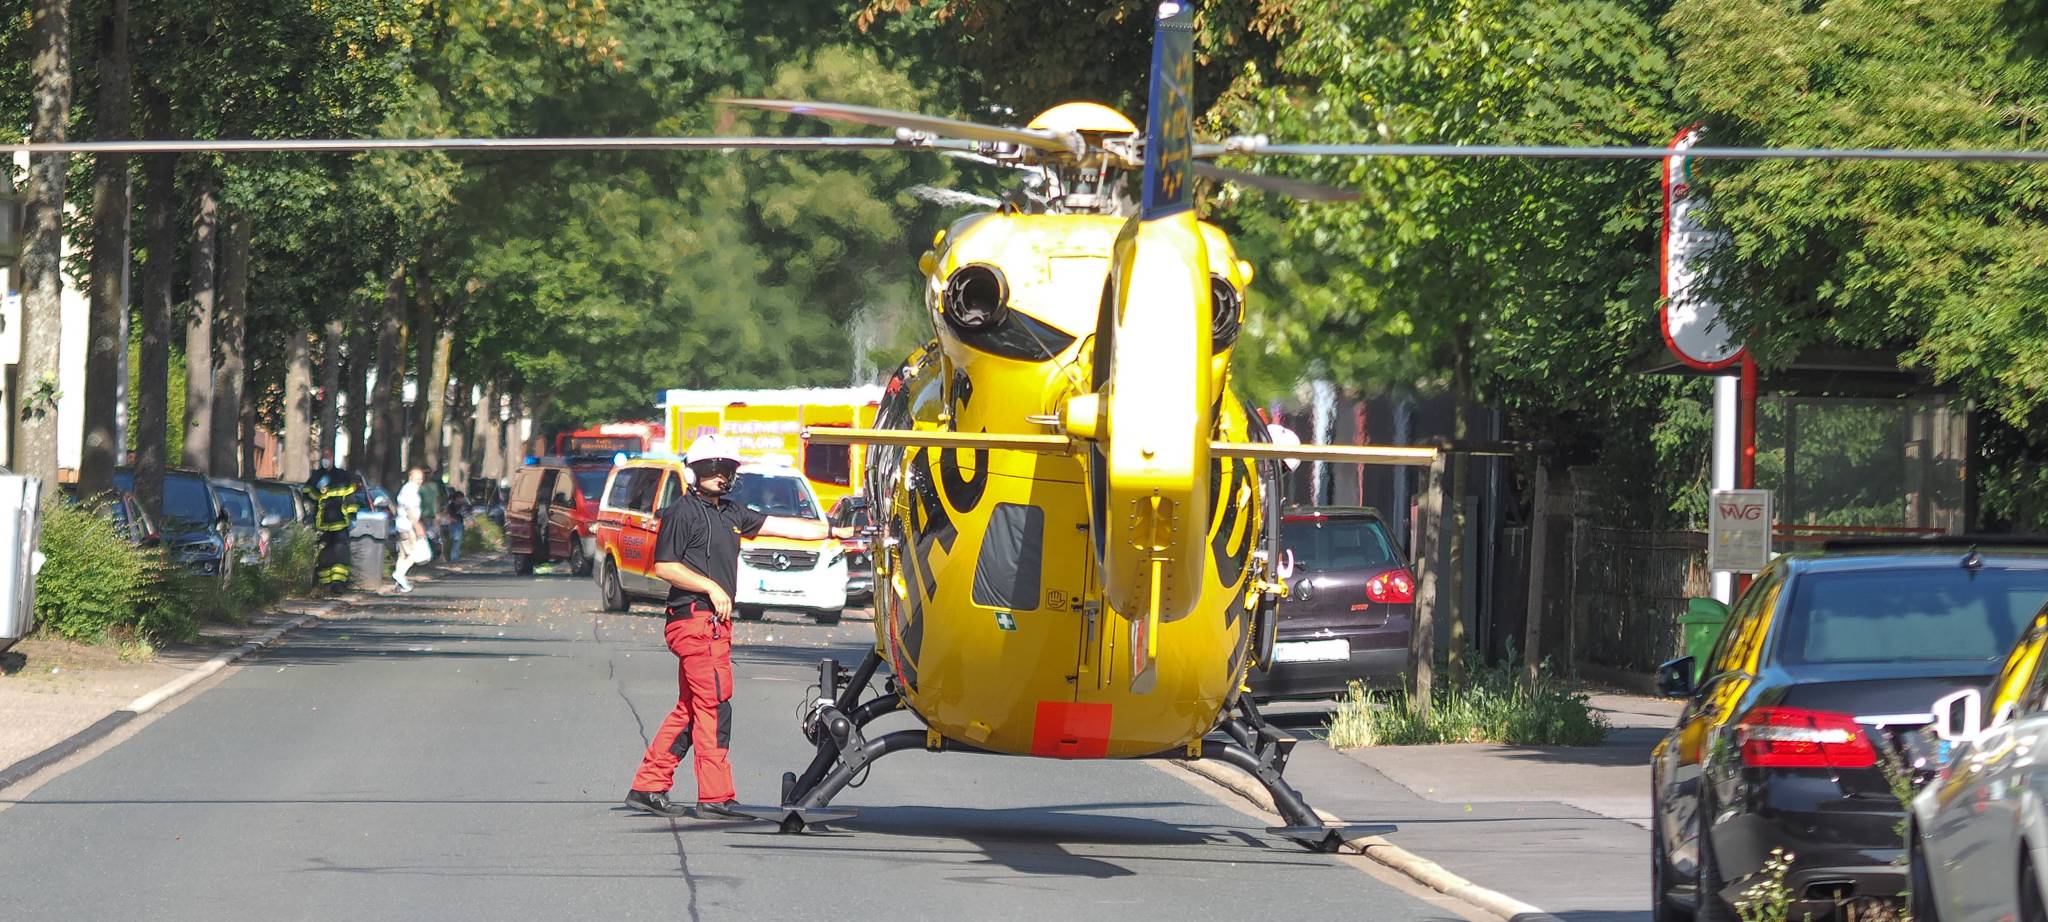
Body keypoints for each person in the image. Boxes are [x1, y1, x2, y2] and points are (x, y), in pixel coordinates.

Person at [624, 434, 862, 818]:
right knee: (715, 706)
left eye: (727, 468)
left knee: (692, 708)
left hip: (712, 625)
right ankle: (715, 796)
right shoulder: (681, 512)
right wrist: (711, 587)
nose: (721, 474)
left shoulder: (731, 512)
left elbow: (783, 526)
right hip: (695, 621)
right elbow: (665, 566)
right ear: (694, 471)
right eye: (713, 468)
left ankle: (648, 785)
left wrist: (835, 531)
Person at [305, 453, 361, 593]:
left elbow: (351, 498)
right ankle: (326, 584)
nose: (326, 460)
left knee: (340, 554)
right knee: (324, 556)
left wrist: (352, 515)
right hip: (322, 525)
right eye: (324, 457)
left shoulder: (342, 476)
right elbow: (308, 495)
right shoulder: (316, 477)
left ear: (332, 459)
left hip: (341, 524)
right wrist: (316, 489)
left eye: (328, 457)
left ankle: (338, 583)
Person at [392, 468, 427, 593]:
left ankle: (399, 584)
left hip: (401, 526)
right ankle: (399, 574)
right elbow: (410, 510)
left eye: (421, 478)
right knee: (414, 553)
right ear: (410, 477)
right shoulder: (410, 491)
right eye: (418, 478)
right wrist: (418, 527)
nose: (420, 481)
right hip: (408, 526)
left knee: (402, 555)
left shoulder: (407, 489)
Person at [442, 490, 470, 563]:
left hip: (460, 523)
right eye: (461, 498)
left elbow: (467, 512)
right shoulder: (452, 505)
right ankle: (454, 558)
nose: (462, 499)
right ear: (457, 498)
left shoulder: (462, 505)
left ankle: (455, 557)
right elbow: (449, 514)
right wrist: (452, 519)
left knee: (458, 541)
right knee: (456, 540)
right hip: (455, 524)